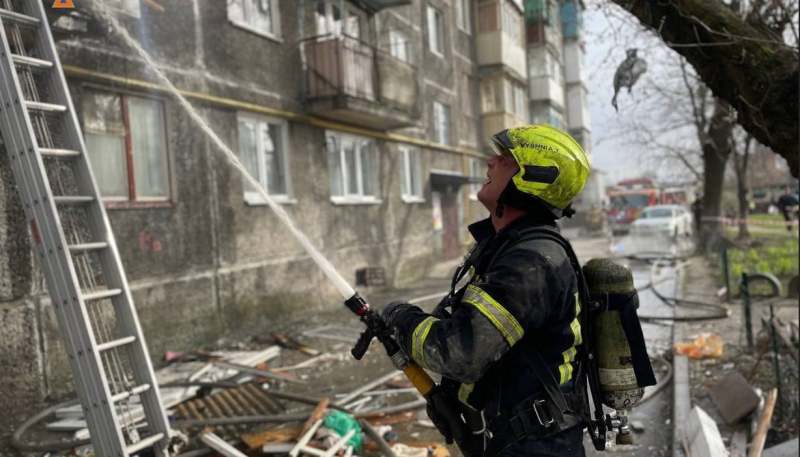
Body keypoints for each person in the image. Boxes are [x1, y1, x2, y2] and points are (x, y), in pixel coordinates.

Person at [381, 126, 590, 456]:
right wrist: (450, 396)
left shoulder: (529, 263)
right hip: (515, 438)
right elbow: (488, 343)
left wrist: (400, 317)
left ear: (533, 176)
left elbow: (459, 352)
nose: (491, 162)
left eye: (506, 159)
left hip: (536, 447)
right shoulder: (507, 248)